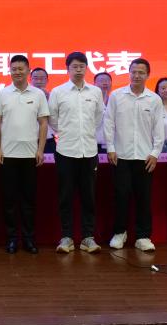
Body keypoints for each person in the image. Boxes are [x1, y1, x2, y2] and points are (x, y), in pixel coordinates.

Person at [104, 58, 164, 252]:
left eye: (141, 72)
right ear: (129, 73)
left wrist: (155, 153)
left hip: (145, 157)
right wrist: (110, 147)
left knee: (143, 197)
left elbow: (159, 129)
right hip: (120, 155)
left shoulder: (154, 99)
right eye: (134, 72)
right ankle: (119, 233)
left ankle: (143, 236)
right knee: (121, 196)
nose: (137, 76)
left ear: (147, 75)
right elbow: (108, 123)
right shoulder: (116, 96)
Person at [0, 54, 49, 254]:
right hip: (7, 155)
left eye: (20, 69)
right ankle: (11, 240)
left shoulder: (38, 94)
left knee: (28, 201)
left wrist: (40, 149)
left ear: (28, 71)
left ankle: (29, 239)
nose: (17, 72)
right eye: (13, 69)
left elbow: (43, 123)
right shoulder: (2, 94)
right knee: (9, 201)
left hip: (30, 155)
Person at [48, 52, 104, 254]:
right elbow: (53, 120)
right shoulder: (58, 92)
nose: (78, 70)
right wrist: (68, 133)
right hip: (66, 151)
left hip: (89, 151)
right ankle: (67, 237)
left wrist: (84, 133)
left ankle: (88, 237)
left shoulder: (95, 92)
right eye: (74, 66)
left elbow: (98, 118)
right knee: (65, 196)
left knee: (89, 197)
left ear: (86, 68)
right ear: (68, 69)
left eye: (82, 66)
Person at [31, 67, 56, 153]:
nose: (39, 81)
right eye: (35, 78)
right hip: (30, 139)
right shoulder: (24, 97)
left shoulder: (53, 96)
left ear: (47, 80)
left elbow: (56, 117)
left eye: (42, 78)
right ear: (31, 80)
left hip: (48, 139)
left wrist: (48, 99)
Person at [94, 71, 112, 154]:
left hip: (112, 146)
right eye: (101, 80)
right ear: (94, 84)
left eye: (107, 80)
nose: (105, 83)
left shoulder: (116, 101)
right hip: (93, 145)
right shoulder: (89, 102)